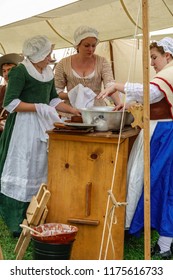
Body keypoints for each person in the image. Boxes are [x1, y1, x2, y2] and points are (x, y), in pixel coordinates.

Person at [97, 37, 173, 259]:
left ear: (167, 55)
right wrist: (129, 103)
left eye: (154, 57)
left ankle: (166, 241)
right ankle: (151, 229)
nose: (152, 63)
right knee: (148, 181)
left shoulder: (169, 72)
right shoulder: (165, 72)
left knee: (162, 183)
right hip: (156, 132)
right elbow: (154, 98)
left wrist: (116, 86)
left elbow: (153, 92)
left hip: (164, 134)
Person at [0, 35, 80, 237]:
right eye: (47, 54)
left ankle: (38, 214)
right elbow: (10, 103)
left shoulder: (47, 72)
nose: (50, 58)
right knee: (23, 167)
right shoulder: (20, 72)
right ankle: (17, 220)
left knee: (40, 165)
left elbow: (52, 99)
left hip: (42, 125)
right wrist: (38, 107)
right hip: (22, 127)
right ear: (38, 54)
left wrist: (73, 110)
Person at [54, 25, 121, 109]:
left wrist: (119, 105)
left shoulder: (102, 62)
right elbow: (56, 92)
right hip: (72, 111)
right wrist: (74, 95)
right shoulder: (63, 64)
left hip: (96, 110)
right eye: (86, 45)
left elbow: (110, 86)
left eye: (93, 46)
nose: (91, 49)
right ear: (77, 45)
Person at [0, 53, 23, 131]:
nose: (6, 74)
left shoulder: (26, 90)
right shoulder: (1, 90)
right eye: (4, 71)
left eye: (10, 70)